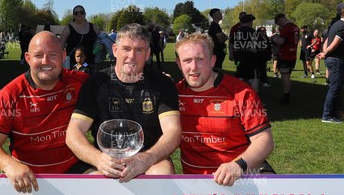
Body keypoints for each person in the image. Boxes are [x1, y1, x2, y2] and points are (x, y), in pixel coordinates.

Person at [66, 23, 181, 183]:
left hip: (149, 157)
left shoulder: (163, 84)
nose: (131, 56)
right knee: (96, 180)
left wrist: (148, 158)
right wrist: (98, 159)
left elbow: (173, 131)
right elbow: (73, 133)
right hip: (107, 158)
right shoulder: (96, 83)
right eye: (126, 49)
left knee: (162, 173)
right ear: (115, 50)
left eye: (139, 50)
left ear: (148, 53)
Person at [0, 31, 90, 193]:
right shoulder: (9, 96)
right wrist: (9, 165)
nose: (45, 61)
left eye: (52, 55)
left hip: (74, 168)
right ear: (28, 58)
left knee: (108, 187)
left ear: (63, 56)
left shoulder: (80, 83)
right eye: (38, 55)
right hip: (28, 176)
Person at [174, 33, 274, 185]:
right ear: (179, 64)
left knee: (272, 186)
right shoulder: (173, 94)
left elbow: (264, 140)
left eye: (200, 59)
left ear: (212, 60)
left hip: (240, 177)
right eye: (187, 61)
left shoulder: (241, 93)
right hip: (196, 183)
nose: (193, 67)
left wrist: (238, 165)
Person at [317, 5, 344, 123]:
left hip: (336, 59)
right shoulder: (343, 27)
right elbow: (334, 44)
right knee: (334, 88)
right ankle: (327, 115)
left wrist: (325, 52)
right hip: (336, 60)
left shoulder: (336, 25)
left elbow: (327, 41)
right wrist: (325, 53)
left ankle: (333, 113)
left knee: (336, 88)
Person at [271, 13, 299, 104]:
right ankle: (287, 94)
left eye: (279, 24)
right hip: (293, 54)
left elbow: (280, 41)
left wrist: (274, 37)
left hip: (286, 55)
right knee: (287, 75)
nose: (280, 26)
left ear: (281, 20)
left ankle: (286, 97)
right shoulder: (295, 27)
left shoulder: (287, 28)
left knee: (285, 76)